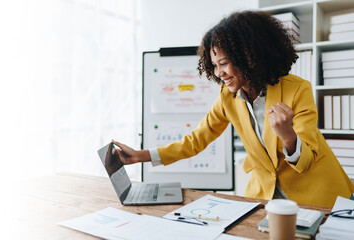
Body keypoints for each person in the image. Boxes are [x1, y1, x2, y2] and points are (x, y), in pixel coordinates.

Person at [112, 10, 354, 208]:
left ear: (250, 57)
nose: (219, 74)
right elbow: (196, 141)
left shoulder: (298, 90)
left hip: (315, 194)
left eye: (224, 63)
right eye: (214, 65)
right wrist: (140, 156)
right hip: (265, 196)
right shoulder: (228, 97)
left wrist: (288, 136)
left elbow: (307, 160)